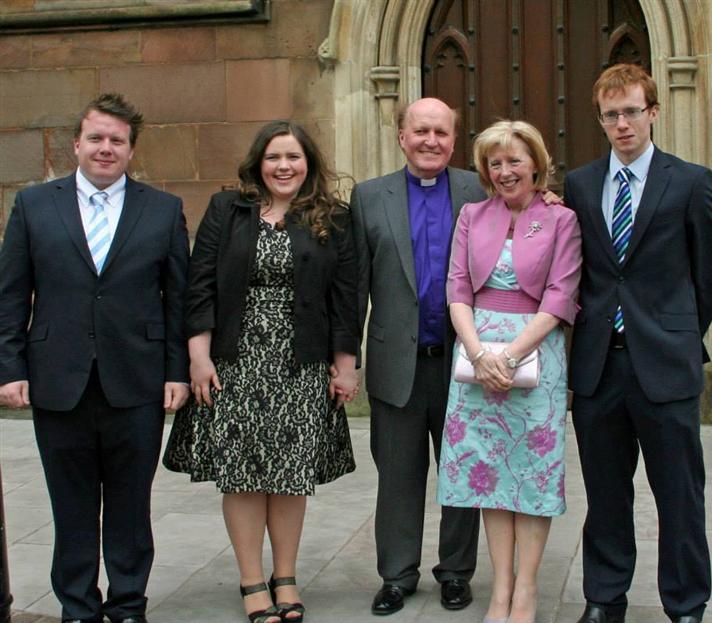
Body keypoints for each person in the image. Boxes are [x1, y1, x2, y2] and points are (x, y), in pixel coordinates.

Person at [0, 93, 190, 623]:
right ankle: (78, 605)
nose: (106, 149)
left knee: (131, 506)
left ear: (132, 150)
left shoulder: (163, 209)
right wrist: (9, 368)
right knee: (72, 504)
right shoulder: (35, 206)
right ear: (77, 144)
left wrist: (176, 371)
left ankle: (129, 602)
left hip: (137, 379)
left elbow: (179, 300)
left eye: (118, 141)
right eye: (97, 139)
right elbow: (11, 294)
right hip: (58, 378)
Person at [163, 120, 359, 623]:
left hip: (301, 364)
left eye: (293, 157)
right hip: (235, 362)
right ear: (259, 163)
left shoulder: (331, 218)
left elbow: (346, 298)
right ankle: (252, 579)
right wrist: (198, 357)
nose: (284, 166)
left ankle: (286, 576)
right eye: (274, 157)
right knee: (244, 475)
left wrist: (345, 367)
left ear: (309, 164)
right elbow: (199, 284)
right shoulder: (228, 210)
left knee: (290, 477)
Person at [564, 63, 712, 623]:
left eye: (632, 111)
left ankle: (685, 603)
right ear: (602, 121)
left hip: (665, 364)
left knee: (679, 494)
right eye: (611, 115)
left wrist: (674, 330)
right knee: (606, 496)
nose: (622, 124)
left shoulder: (689, 181)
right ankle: (604, 599)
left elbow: (711, 270)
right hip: (598, 369)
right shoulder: (582, 185)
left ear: (652, 112)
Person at [436, 120, 581, 623]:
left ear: (536, 164)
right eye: (495, 163)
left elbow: (562, 295)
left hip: (535, 355)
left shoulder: (561, 219)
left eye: (514, 161)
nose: (504, 171)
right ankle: (499, 591)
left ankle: (527, 591)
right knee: (490, 477)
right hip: (475, 357)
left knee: (532, 477)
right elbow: (457, 289)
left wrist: (512, 354)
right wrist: (478, 354)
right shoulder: (473, 215)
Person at [349, 97, 485, 616]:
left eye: (442, 133)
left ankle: (455, 572)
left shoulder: (478, 187)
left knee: (462, 474)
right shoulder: (368, 197)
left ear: (454, 140)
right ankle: (397, 575)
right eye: (421, 130)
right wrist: (347, 358)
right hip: (396, 364)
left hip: (463, 362)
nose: (432, 141)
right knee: (398, 477)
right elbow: (354, 284)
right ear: (401, 136)